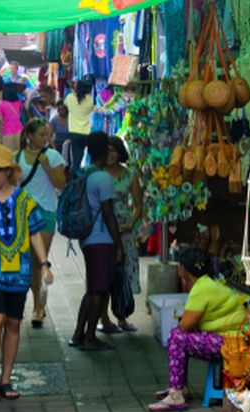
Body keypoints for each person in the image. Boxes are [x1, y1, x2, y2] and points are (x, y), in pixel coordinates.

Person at [0, 144, 53, 401]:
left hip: (20, 270)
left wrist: (45, 263)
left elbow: (34, 232)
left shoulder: (25, 200)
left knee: (14, 323)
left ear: (8, 172)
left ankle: (6, 379)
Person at [148, 246, 248, 412]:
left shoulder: (201, 288)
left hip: (230, 342)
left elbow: (185, 325)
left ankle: (176, 393)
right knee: (180, 337)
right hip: (233, 338)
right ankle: (179, 387)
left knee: (177, 337)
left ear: (183, 268)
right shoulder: (208, 283)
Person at [68, 132, 123, 351]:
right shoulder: (103, 178)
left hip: (86, 237)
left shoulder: (83, 172)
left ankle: (78, 333)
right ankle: (90, 336)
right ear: (103, 151)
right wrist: (118, 244)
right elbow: (109, 214)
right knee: (99, 291)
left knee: (92, 288)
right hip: (101, 239)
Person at [15, 118, 67, 328]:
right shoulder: (17, 157)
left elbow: (61, 184)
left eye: (47, 135)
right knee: (27, 262)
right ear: (29, 135)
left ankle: (39, 306)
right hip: (23, 213)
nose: (46, 139)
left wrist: (47, 168)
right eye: (41, 135)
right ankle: (37, 302)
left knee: (39, 260)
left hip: (45, 212)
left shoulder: (52, 156)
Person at [98, 136, 143, 334]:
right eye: (107, 151)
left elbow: (139, 204)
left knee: (123, 272)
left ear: (120, 152)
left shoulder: (130, 174)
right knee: (104, 273)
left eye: (114, 150)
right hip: (102, 229)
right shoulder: (98, 174)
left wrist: (131, 224)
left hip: (124, 230)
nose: (110, 155)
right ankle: (104, 318)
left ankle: (122, 316)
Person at [65, 79, 95, 174]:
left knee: (76, 162)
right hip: (88, 133)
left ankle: (75, 182)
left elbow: (65, 104)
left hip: (74, 133)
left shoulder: (70, 97)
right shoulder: (91, 99)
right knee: (92, 160)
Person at [0, 83, 24, 152]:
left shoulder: (1, 104)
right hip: (19, 131)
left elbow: (0, 121)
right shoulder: (19, 102)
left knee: (8, 156)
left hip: (7, 132)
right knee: (18, 155)